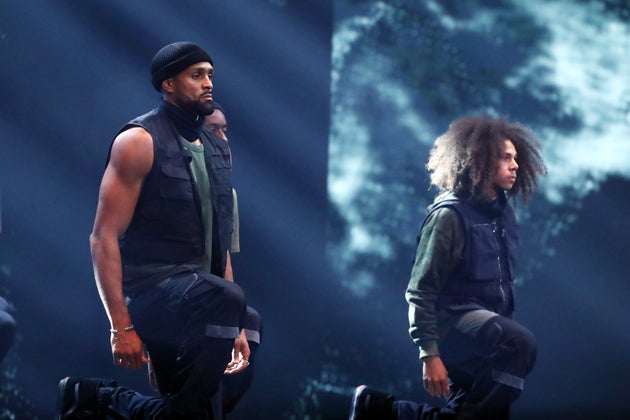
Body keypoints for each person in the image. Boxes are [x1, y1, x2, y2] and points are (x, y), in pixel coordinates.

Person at [57, 41, 260, 419]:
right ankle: (105, 397)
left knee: (244, 324)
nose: (208, 83)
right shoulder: (138, 141)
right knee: (228, 302)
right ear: (168, 84)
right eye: (196, 75)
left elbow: (220, 250)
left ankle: (98, 397)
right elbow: (102, 237)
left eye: (210, 75)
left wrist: (233, 323)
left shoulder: (217, 150)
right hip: (152, 295)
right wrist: (121, 327)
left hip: (203, 300)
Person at [349, 115, 546, 419]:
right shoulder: (449, 218)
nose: (515, 165)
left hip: (485, 338)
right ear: (480, 160)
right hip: (452, 328)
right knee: (520, 343)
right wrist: (429, 353)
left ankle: (378, 409)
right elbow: (420, 291)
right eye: (505, 157)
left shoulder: (504, 216)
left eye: (516, 158)